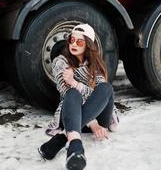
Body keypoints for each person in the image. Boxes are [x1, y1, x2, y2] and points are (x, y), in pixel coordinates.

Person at [38, 24, 119, 170]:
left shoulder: (96, 65)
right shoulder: (60, 62)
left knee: (106, 88)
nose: (74, 44)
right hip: (72, 117)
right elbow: (65, 92)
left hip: (100, 116)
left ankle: (62, 138)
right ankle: (75, 148)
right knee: (72, 93)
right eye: (71, 40)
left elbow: (99, 95)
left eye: (80, 42)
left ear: (88, 45)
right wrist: (92, 123)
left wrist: (75, 82)